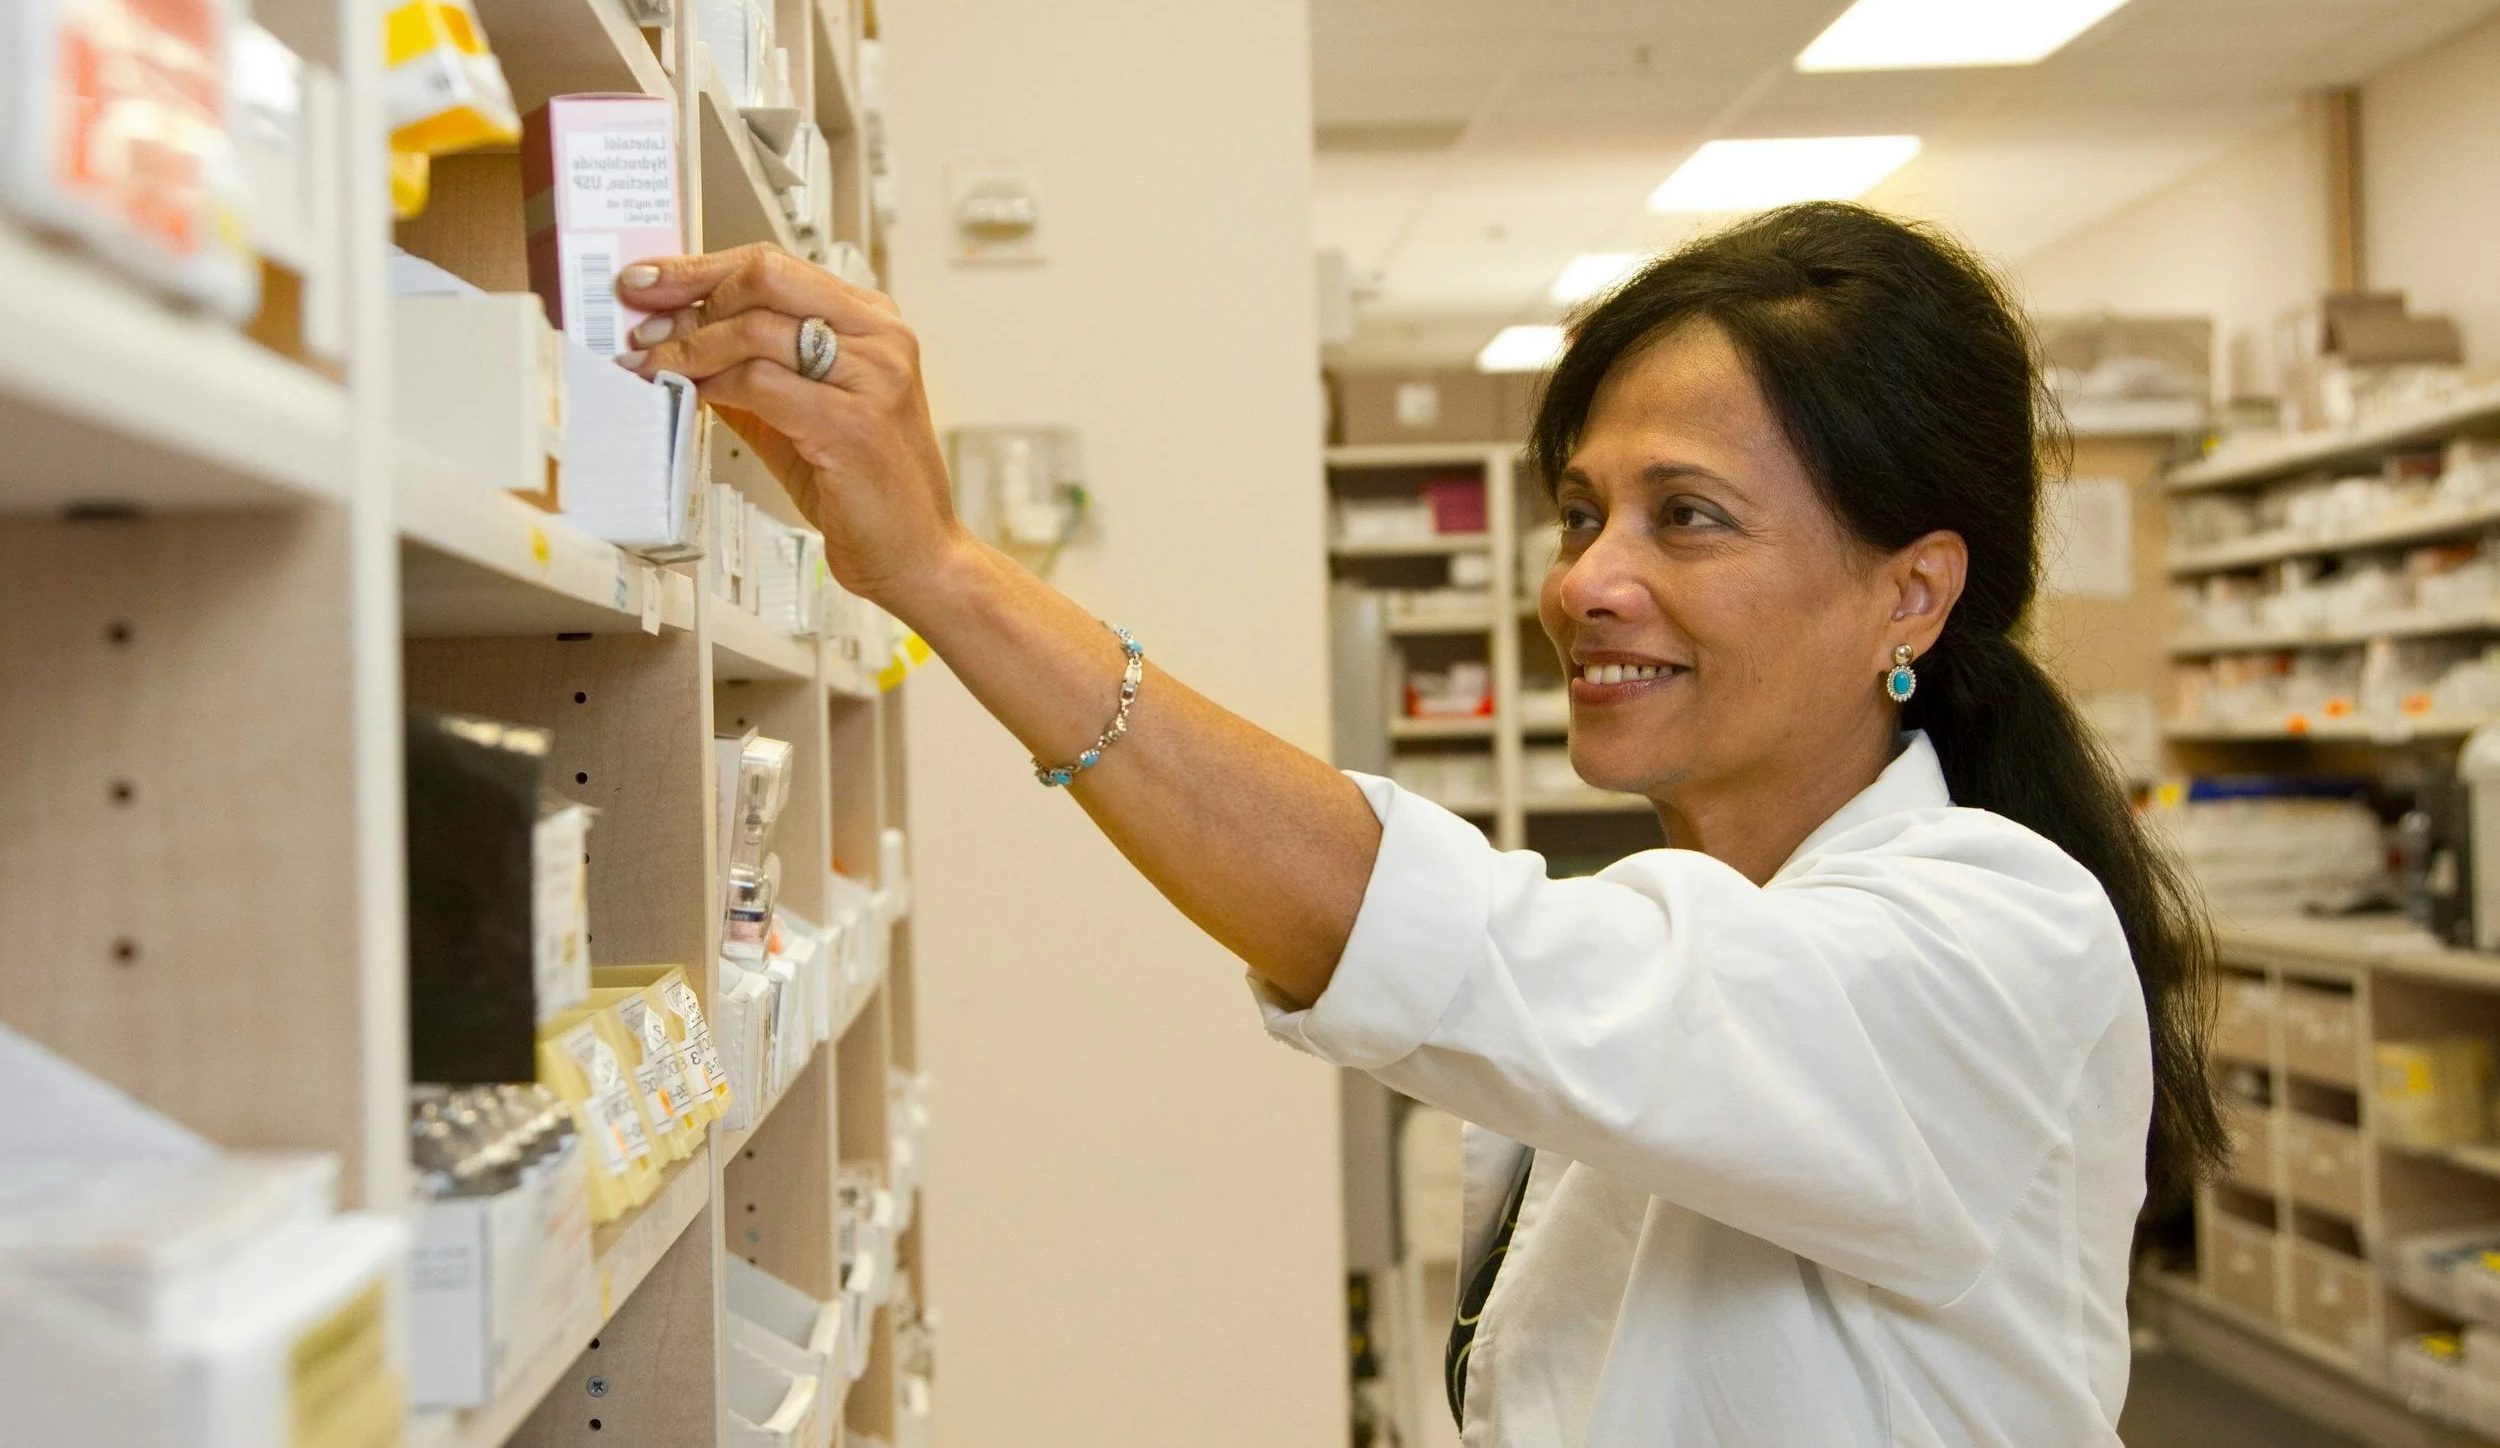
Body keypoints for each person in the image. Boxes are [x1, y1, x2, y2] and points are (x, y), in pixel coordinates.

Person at [614, 201, 2222, 1447]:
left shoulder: (1996, 938)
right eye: (1585, 511)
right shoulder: (1695, 908)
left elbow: (1436, 937)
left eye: (1691, 516)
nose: (1585, 580)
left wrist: (947, 573)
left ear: (1911, 590)